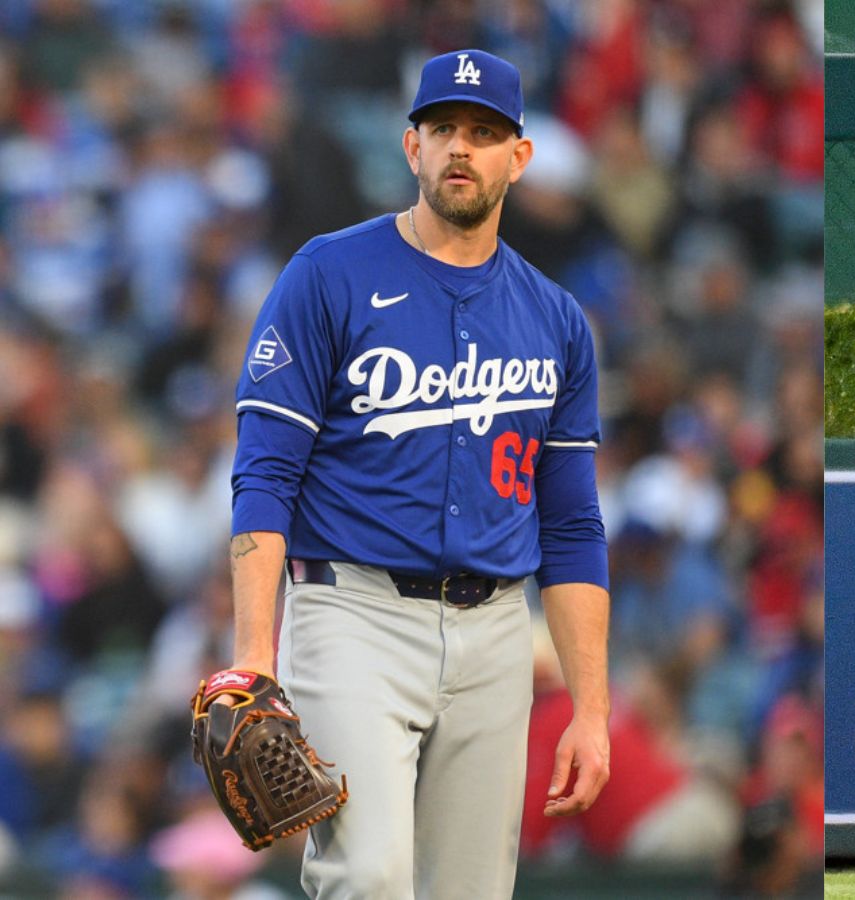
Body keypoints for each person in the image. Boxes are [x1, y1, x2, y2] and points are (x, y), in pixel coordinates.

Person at [222, 49, 611, 898]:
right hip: (353, 612)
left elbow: (574, 526)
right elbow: (264, 475)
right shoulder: (329, 274)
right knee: (369, 876)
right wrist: (254, 654)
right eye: (442, 129)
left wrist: (591, 708)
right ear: (411, 148)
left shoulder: (555, 320)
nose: (460, 149)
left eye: (483, 132)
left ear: (520, 156)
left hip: (499, 630)